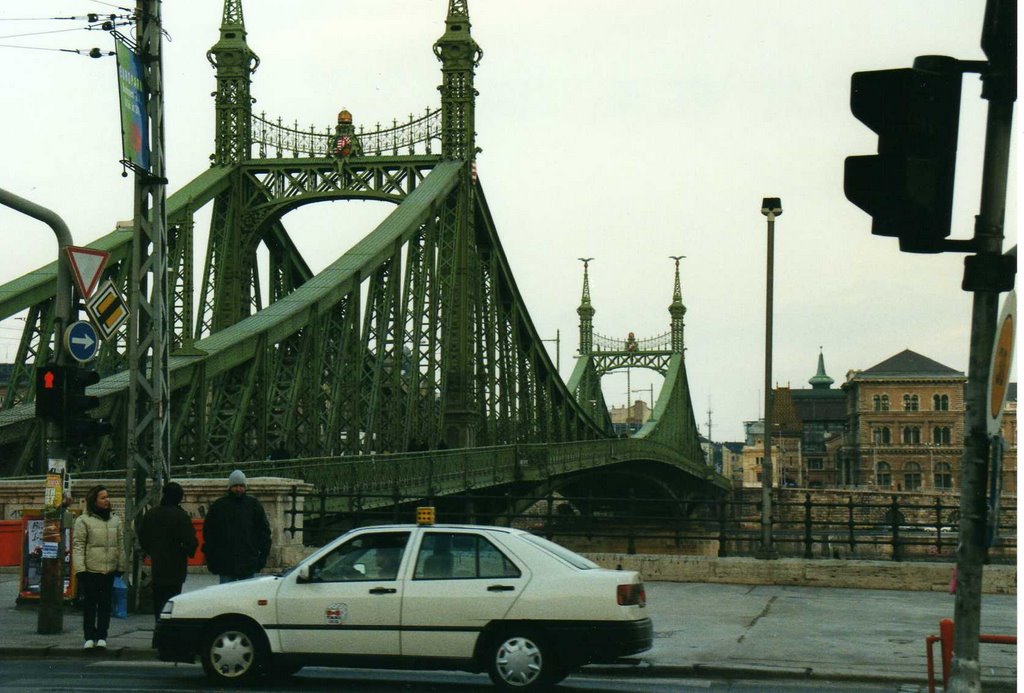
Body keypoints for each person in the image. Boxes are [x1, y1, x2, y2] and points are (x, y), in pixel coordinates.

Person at [72, 485, 127, 650]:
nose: (107, 500)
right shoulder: (83, 520)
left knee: (105, 604)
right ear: (94, 501)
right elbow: (79, 545)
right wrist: (80, 569)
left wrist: (121, 565)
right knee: (90, 604)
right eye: (103, 498)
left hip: (109, 569)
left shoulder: (115, 520)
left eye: (107, 497)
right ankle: (89, 636)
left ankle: (102, 636)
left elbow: (120, 545)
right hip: (90, 569)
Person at [139, 482, 198, 624]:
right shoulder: (181, 516)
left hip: (158, 564)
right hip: (176, 565)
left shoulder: (151, 514)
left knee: (158, 601)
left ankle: (158, 632)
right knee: (172, 601)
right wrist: (187, 551)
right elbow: (191, 541)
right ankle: (169, 633)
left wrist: (151, 551)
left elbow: (143, 538)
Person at [202, 470, 272, 584]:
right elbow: (209, 534)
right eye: (236, 486)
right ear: (230, 487)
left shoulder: (254, 505)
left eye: (241, 486)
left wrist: (263, 556)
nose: (239, 489)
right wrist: (212, 559)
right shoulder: (219, 506)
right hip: (227, 562)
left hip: (247, 561)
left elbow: (264, 533)